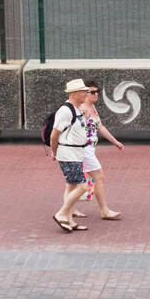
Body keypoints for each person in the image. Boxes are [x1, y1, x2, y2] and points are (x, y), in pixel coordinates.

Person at [72, 79, 123, 221]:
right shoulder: (81, 109)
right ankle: (104, 210)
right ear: (85, 93)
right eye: (92, 92)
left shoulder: (93, 109)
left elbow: (100, 127)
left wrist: (114, 141)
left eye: (97, 92)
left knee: (73, 181)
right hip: (84, 150)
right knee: (98, 176)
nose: (96, 95)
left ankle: (68, 208)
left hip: (89, 149)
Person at [49, 79, 94, 232]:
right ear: (74, 94)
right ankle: (61, 213)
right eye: (83, 91)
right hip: (68, 154)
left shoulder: (78, 108)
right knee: (82, 186)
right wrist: (54, 152)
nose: (86, 94)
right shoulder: (65, 111)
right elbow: (54, 135)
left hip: (76, 153)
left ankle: (69, 220)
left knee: (71, 185)